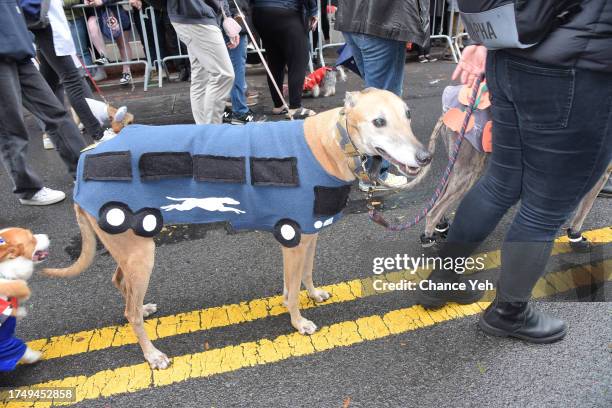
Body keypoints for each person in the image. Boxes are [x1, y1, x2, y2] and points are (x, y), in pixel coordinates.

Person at [417, 0, 612, 343]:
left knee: (500, 182)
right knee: (546, 208)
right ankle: (508, 314)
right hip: (578, 70)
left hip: (509, 55)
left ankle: (441, 279)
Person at [335, 0, 430, 190]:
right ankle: (376, 175)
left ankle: (364, 166)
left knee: (371, 99)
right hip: (383, 20)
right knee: (384, 103)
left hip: (353, 16)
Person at [0, 0, 86, 206]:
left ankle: (85, 171)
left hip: (18, 47)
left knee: (55, 112)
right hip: (11, 46)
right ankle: (28, 190)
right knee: (11, 127)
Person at [31, 0, 108, 142]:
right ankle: (98, 134)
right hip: (49, 27)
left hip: (49, 25)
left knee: (50, 84)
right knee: (72, 81)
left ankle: (51, 133)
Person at [167, 0, 239, 124]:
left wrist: (226, 16)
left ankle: (204, 130)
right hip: (197, 16)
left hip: (193, 15)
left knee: (201, 77)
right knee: (223, 75)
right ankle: (210, 131)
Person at [252, 0, 318, 119]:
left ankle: (279, 105)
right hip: (287, 10)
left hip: (260, 11)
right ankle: (295, 107)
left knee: (274, 57)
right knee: (299, 57)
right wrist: (313, 11)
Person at [224, 0, 265, 124]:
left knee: (226, 69)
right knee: (236, 68)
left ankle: (225, 110)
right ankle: (240, 112)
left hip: (230, 18)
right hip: (234, 19)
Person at [84, 0, 134, 86]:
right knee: (91, 24)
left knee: (122, 44)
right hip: (98, 14)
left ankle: (127, 72)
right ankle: (104, 56)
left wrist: (102, 1)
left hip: (116, 13)